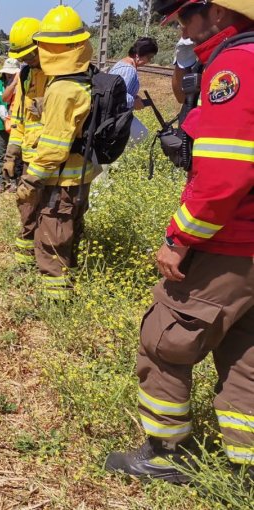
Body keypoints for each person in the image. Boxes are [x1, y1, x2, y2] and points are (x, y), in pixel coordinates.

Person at [105, 0, 254, 481]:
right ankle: (245, 466)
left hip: (232, 241)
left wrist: (180, 237)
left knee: (163, 338)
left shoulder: (237, 63)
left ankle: (168, 454)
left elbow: (224, 178)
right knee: (245, 352)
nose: (184, 32)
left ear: (218, 12)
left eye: (188, 18)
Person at [15, 5, 101, 300]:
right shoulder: (86, 76)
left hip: (60, 181)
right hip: (80, 176)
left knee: (51, 242)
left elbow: (53, 148)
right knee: (69, 237)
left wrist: (30, 181)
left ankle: (56, 304)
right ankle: (70, 289)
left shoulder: (62, 88)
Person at [6, 17, 48, 266]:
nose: (27, 60)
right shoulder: (25, 75)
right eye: (22, 56)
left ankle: (46, 262)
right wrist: (12, 153)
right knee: (27, 212)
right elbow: (19, 118)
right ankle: (24, 264)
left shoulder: (61, 73)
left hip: (54, 161)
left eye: (30, 54)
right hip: (30, 160)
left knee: (53, 218)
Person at [0, 58, 20, 193]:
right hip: (0, 125)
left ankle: (14, 181)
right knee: (0, 155)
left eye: (12, 73)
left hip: (15, 126)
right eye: (8, 73)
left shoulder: (21, 85)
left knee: (14, 154)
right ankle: (0, 181)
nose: (9, 75)